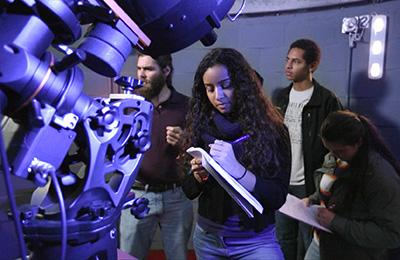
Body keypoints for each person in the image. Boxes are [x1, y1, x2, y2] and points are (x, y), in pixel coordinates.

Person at [181, 48, 291, 259]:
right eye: (209, 88)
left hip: (256, 241)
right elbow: (188, 190)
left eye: (226, 85)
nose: (218, 96)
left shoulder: (273, 130)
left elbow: (276, 196)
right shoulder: (201, 125)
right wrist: (198, 177)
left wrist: (238, 171)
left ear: (242, 84)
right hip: (208, 239)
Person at [273, 38, 343, 260]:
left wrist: (321, 190)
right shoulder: (280, 97)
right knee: (283, 239)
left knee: (308, 242)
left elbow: (337, 149)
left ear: (312, 66)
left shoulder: (326, 100)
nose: (288, 66)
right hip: (283, 183)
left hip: (309, 186)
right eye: (287, 60)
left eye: (296, 61)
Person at [119, 53, 193, 260]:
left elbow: (202, 151)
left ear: (166, 71)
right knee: (128, 256)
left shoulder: (186, 106)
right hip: (137, 194)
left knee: (178, 256)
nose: (141, 75)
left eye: (149, 69)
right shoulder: (130, 105)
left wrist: (185, 141)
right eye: (139, 68)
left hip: (176, 196)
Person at [305, 110, 400, 260]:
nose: (333, 155)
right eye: (329, 149)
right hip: (322, 244)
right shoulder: (338, 155)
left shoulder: (379, 176)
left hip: (353, 252)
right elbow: (333, 188)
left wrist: (335, 222)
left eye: (339, 151)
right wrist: (314, 199)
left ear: (358, 142)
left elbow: (391, 234)